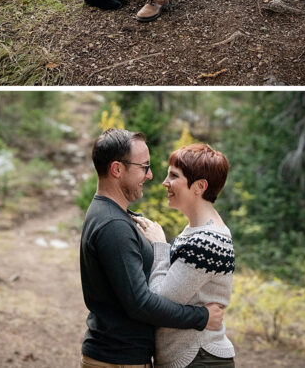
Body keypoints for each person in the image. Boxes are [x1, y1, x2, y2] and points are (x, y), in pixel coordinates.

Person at [80, 128, 225, 368]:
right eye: (144, 167)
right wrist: (202, 317)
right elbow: (140, 304)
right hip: (117, 360)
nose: (150, 176)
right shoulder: (113, 224)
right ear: (117, 169)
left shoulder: (110, 214)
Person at [133, 143, 236, 368]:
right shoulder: (197, 231)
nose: (164, 182)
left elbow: (160, 302)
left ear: (199, 186)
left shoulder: (207, 241)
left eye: (174, 176)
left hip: (198, 358)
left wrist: (160, 245)